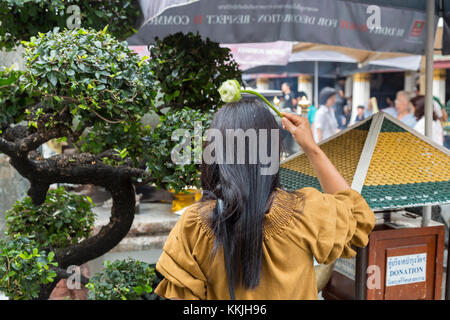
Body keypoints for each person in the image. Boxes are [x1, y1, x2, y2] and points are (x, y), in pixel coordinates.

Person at [154, 97, 375, 300]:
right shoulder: (306, 213)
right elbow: (358, 217)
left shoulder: (194, 225)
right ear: (272, 153)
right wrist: (311, 147)